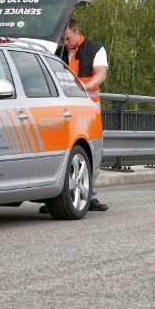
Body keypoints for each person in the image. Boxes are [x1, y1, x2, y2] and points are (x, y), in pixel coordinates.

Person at [41, 17, 109, 213]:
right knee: (63, 150)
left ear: (77, 32)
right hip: (63, 109)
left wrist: (85, 87)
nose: (65, 42)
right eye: (63, 39)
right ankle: (56, 199)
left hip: (88, 109)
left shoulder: (95, 49)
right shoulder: (58, 52)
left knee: (89, 151)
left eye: (68, 38)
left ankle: (90, 195)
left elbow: (101, 73)